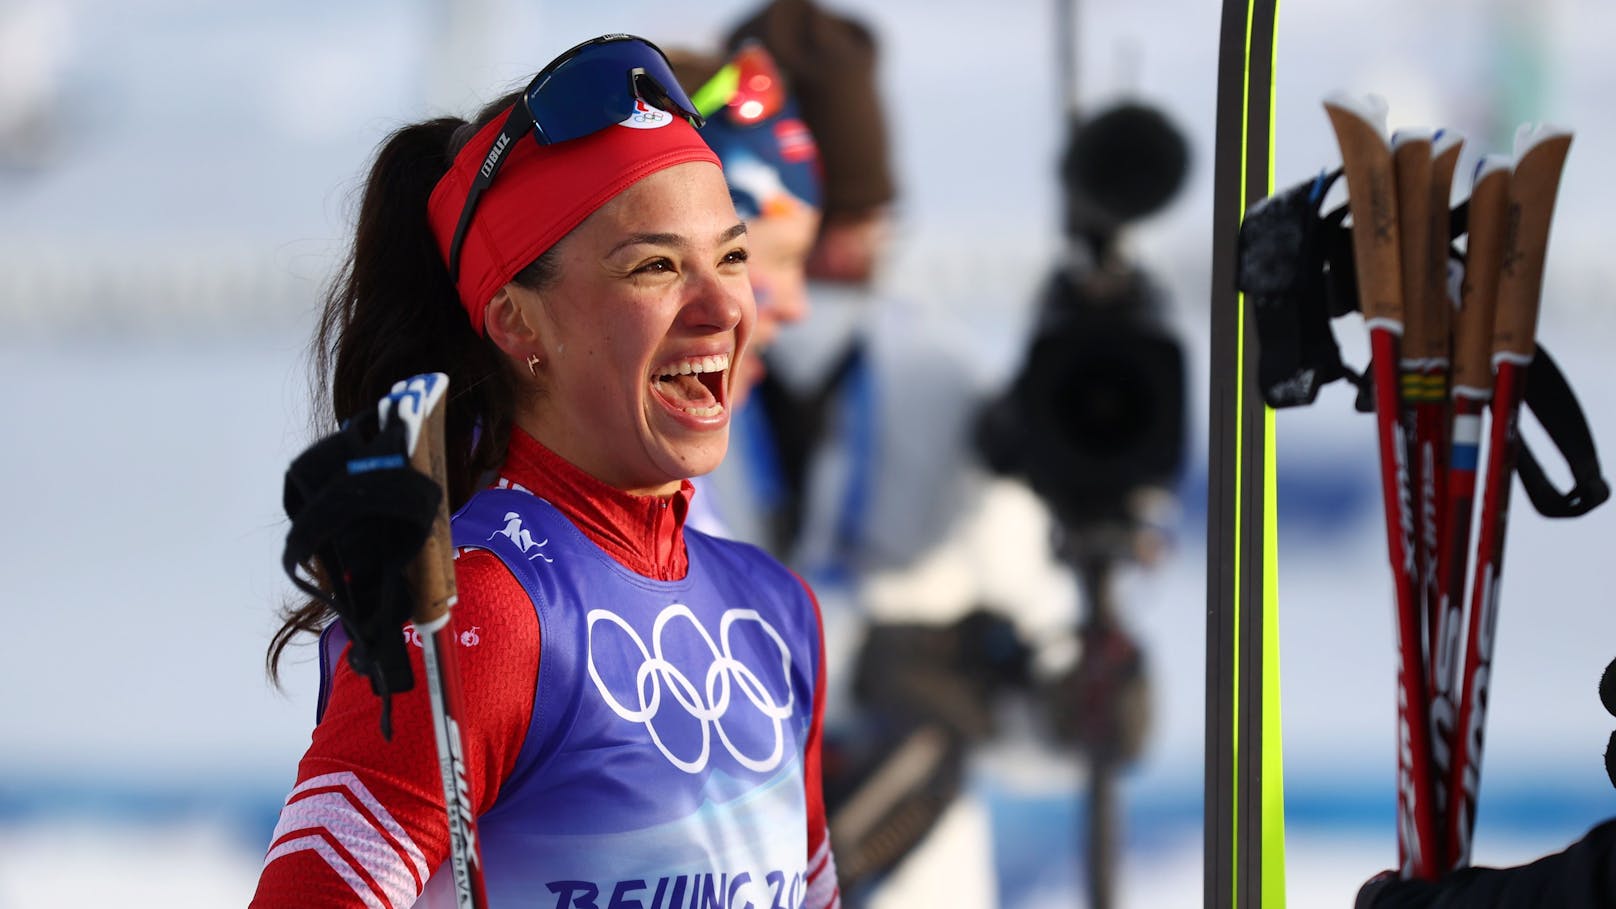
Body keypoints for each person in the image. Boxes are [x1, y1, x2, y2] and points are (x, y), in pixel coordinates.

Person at [251, 34, 840, 909]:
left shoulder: (774, 610)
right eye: (655, 266)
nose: (722, 308)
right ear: (516, 323)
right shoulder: (479, 610)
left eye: (732, 256)